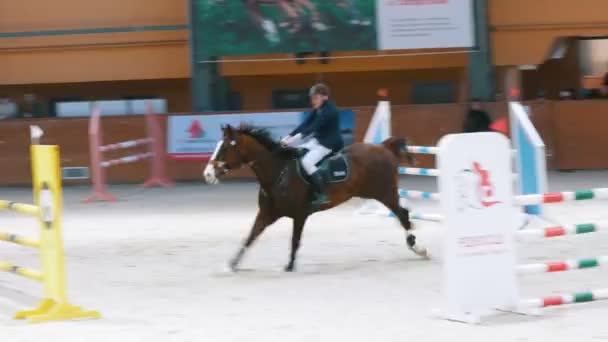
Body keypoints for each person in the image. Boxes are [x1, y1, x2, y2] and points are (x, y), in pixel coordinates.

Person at [281, 83, 343, 206]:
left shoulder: (330, 111)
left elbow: (313, 127)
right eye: (312, 98)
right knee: (298, 152)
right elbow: (305, 124)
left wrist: (292, 141)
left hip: (329, 143)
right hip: (318, 140)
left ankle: (322, 193)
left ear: (324, 97)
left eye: (315, 98)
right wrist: (289, 136)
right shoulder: (318, 109)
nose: (313, 101)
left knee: (307, 162)